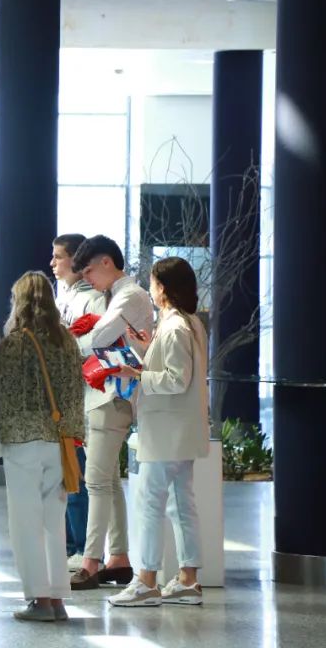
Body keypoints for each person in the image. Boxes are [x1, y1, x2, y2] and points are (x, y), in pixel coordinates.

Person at [108, 256, 209, 608]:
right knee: (182, 504)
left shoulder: (175, 326)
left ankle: (147, 581)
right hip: (179, 431)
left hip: (167, 431)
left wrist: (136, 375)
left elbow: (177, 379)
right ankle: (188, 579)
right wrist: (147, 347)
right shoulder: (188, 322)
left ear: (163, 287)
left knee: (151, 504)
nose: (149, 289)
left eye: (152, 283)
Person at [0, 271, 86, 622]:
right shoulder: (67, 340)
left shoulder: (15, 342)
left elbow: (5, 394)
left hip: (22, 441)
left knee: (25, 523)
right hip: (58, 441)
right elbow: (76, 392)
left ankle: (38, 598)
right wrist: (72, 433)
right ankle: (58, 598)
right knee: (53, 521)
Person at [69, 235, 154, 590]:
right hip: (105, 395)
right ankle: (118, 557)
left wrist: (70, 340)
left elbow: (100, 339)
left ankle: (91, 561)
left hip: (114, 397)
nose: (87, 279)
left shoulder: (130, 295)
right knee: (108, 480)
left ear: (107, 262)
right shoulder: (116, 296)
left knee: (97, 481)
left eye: (89, 271)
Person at [50, 234, 104, 569]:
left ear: (75, 259)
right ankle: (69, 543)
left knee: (79, 475)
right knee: (65, 476)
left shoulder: (93, 300)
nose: (53, 263)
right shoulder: (63, 297)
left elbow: (95, 347)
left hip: (85, 399)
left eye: (58, 257)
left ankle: (84, 547)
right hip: (64, 398)